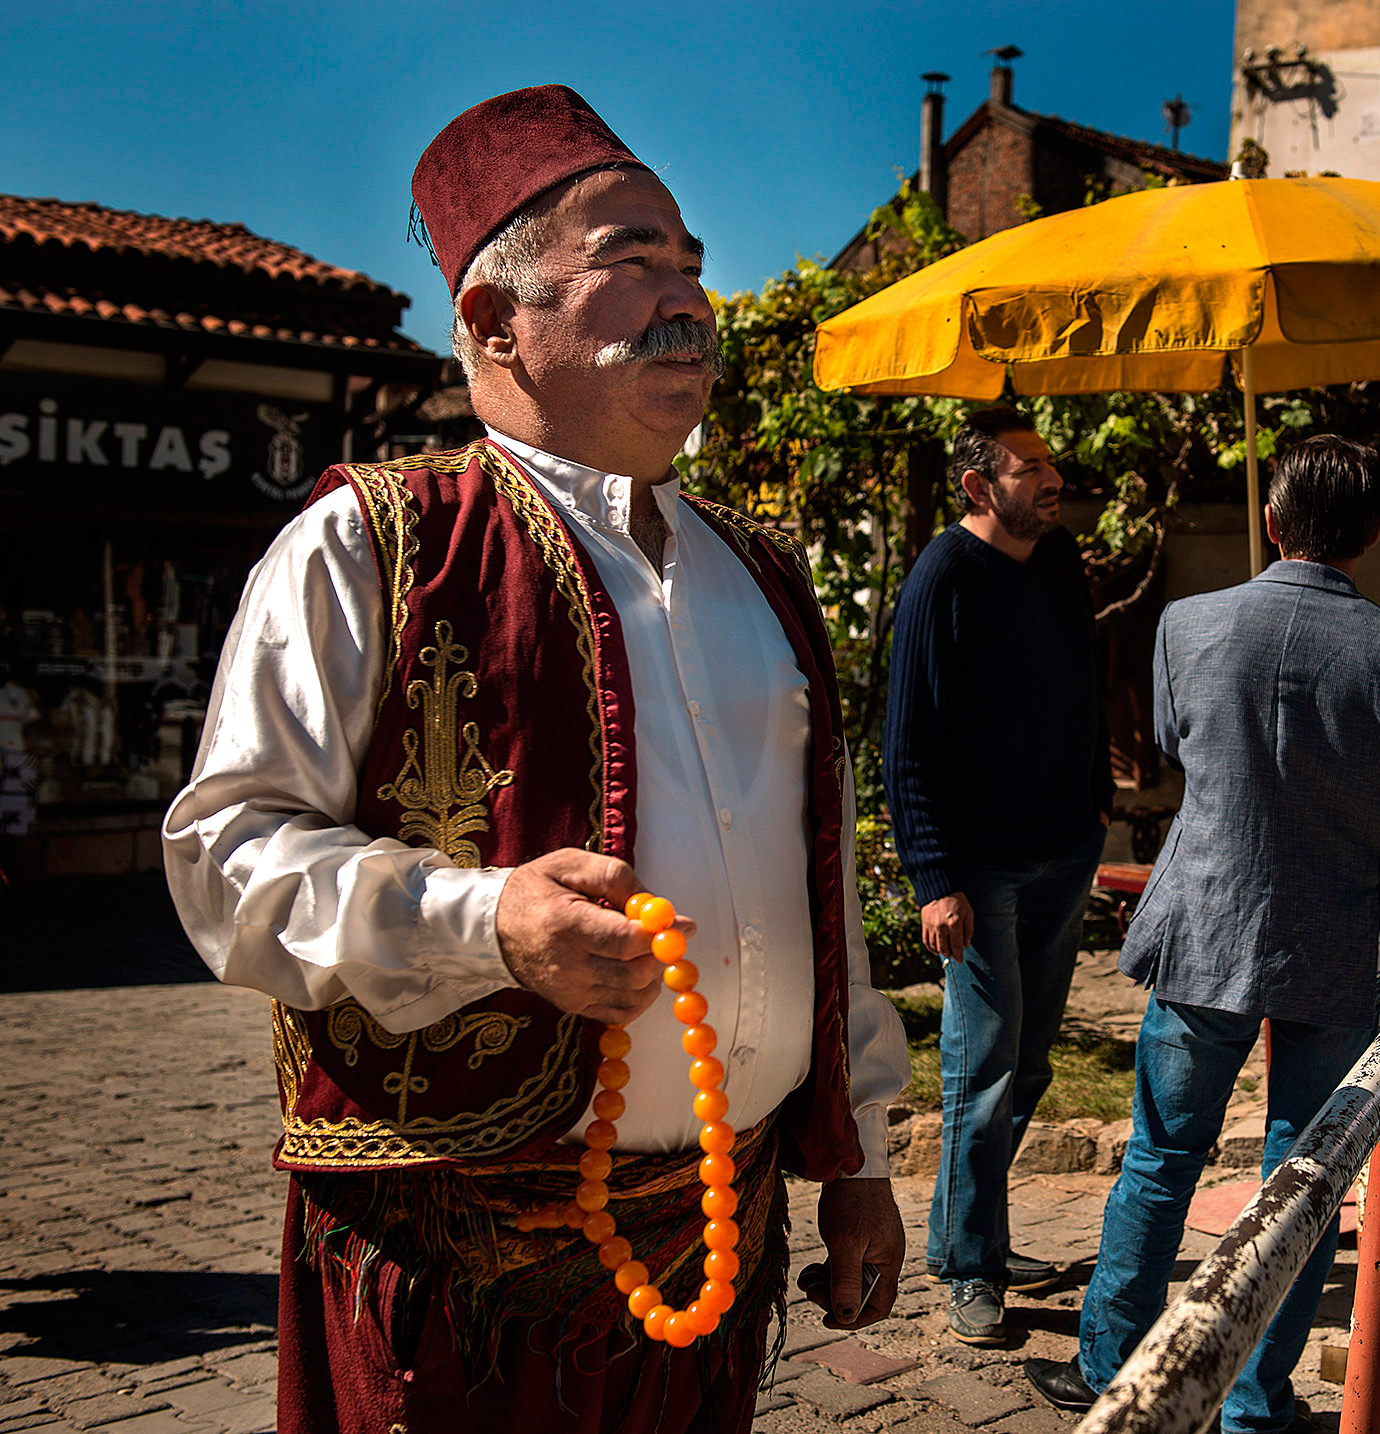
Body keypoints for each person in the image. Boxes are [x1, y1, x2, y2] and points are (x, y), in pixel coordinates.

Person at [162, 85, 909, 1434]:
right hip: (459, 1277)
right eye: (632, 259)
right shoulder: (373, 545)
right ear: (494, 322)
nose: (690, 297)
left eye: (690, 260)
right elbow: (228, 856)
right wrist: (486, 922)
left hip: (716, 1246)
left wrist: (852, 1156)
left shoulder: (768, 576)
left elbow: (822, 889)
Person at [1025, 435, 1380, 1434]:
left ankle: (1111, 1369)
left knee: (1160, 1160)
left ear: (1273, 522)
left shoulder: (1187, 624)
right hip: (1335, 941)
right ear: (1374, 534)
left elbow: (1179, 749)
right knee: (1304, 1186)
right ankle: (1255, 1405)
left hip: (1204, 931)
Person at [883, 406, 1112, 1344]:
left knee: (1030, 1064)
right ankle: (971, 1269)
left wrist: (1096, 797)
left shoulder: (1058, 565)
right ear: (981, 487)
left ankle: (962, 1233)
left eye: (1050, 462)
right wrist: (934, 877)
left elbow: (1087, 689)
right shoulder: (942, 580)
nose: (1050, 479)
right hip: (980, 874)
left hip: (1064, 854)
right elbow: (907, 746)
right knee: (982, 1070)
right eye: (1030, 468)